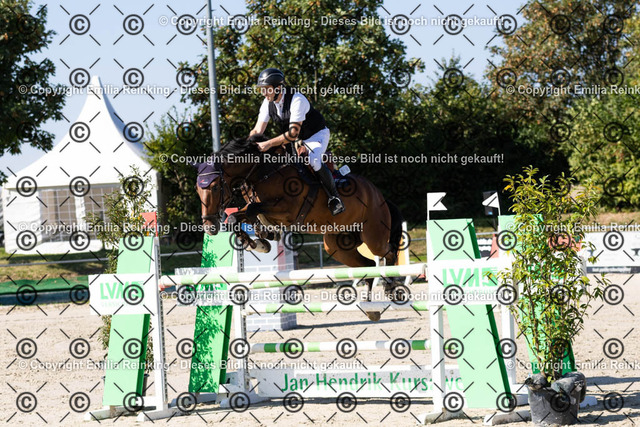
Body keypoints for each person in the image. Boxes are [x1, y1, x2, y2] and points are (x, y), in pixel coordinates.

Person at [249, 68, 345, 216]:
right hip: (294, 140)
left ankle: (334, 197)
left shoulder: (297, 100)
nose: (263, 93)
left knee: (313, 159)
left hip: (315, 135)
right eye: (262, 89)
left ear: (278, 88)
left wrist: (267, 144)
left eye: (267, 89)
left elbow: (293, 134)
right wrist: (246, 146)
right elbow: (257, 130)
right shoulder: (267, 103)